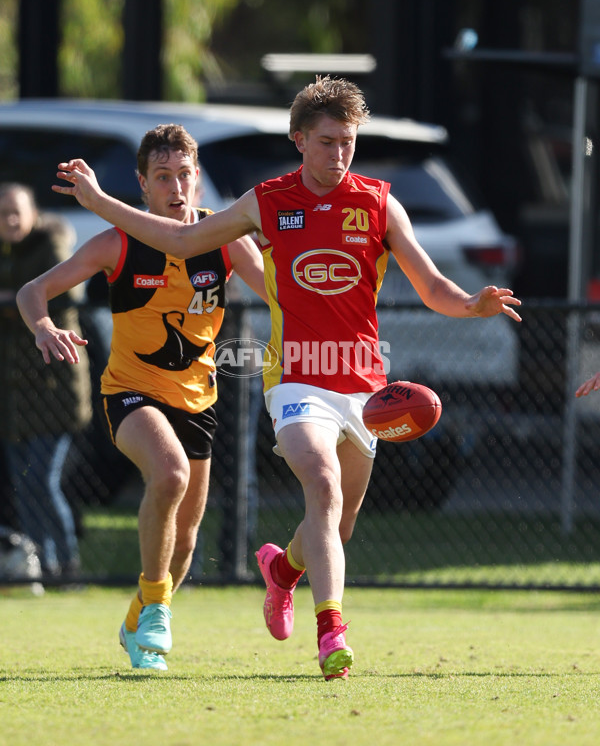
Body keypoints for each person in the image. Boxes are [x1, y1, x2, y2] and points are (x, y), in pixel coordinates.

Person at [50, 76, 522, 681]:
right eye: (327, 141)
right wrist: (99, 203)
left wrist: (471, 303)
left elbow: (433, 288)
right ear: (300, 140)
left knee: (337, 523)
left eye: (348, 141)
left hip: (361, 383)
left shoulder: (379, 201)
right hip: (296, 379)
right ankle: (332, 633)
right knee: (320, 483)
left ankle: (284, 571)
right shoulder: (267, 200)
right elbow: (183, 237)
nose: (339, 153)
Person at [18, 124, 267, 670]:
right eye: (163, 177)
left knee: (185, 545)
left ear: (198, 181)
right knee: (170, 475)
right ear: (143, 185)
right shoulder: (117, 243)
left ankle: (140, 615)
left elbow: (280, 292)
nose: (176, 188)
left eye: (184, 176)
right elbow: (32, 290)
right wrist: (42, 326)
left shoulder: (224, 242)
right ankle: (155, 610)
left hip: (199, 402)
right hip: (130, 394)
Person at [0, 182, 91, 579]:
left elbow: (64, 297)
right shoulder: (8, 254)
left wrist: (11, 301)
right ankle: (40, 566)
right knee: (24, 486)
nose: (12, 220)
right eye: (3, 214)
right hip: (14, 394)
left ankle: (67, 565)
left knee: (41, 480)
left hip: (55, 389)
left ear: (34, 212)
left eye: (17, 211)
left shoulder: (51, 247)